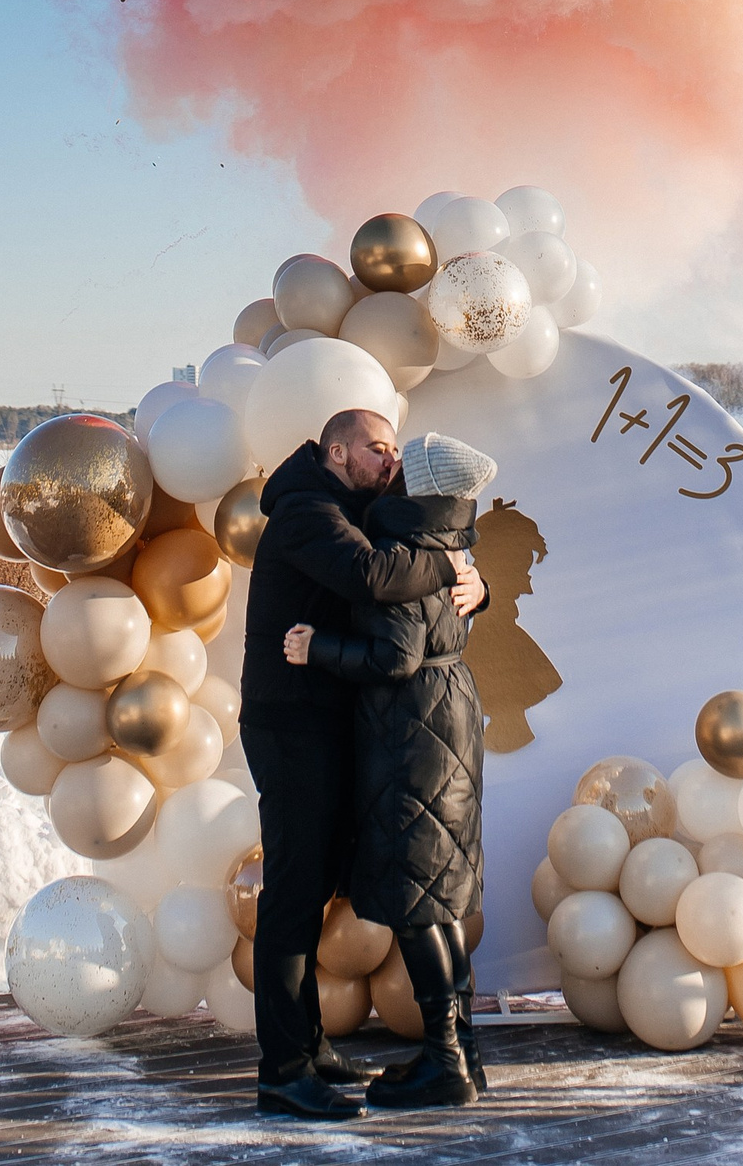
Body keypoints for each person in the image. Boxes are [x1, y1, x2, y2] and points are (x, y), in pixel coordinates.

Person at [243, 403, 484, 1123]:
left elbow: (415, 589)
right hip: (291, 724)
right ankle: (284, 1073)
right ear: (338, 452)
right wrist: (448, 564)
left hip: (334, 722)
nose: (390, 461)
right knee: (292, 896)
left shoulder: (363, 509)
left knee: (320, 888)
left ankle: (310, 1045)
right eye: (377, 449)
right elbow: (375, 575)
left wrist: (477, 584)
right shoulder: (306, 510)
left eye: (395, 451)